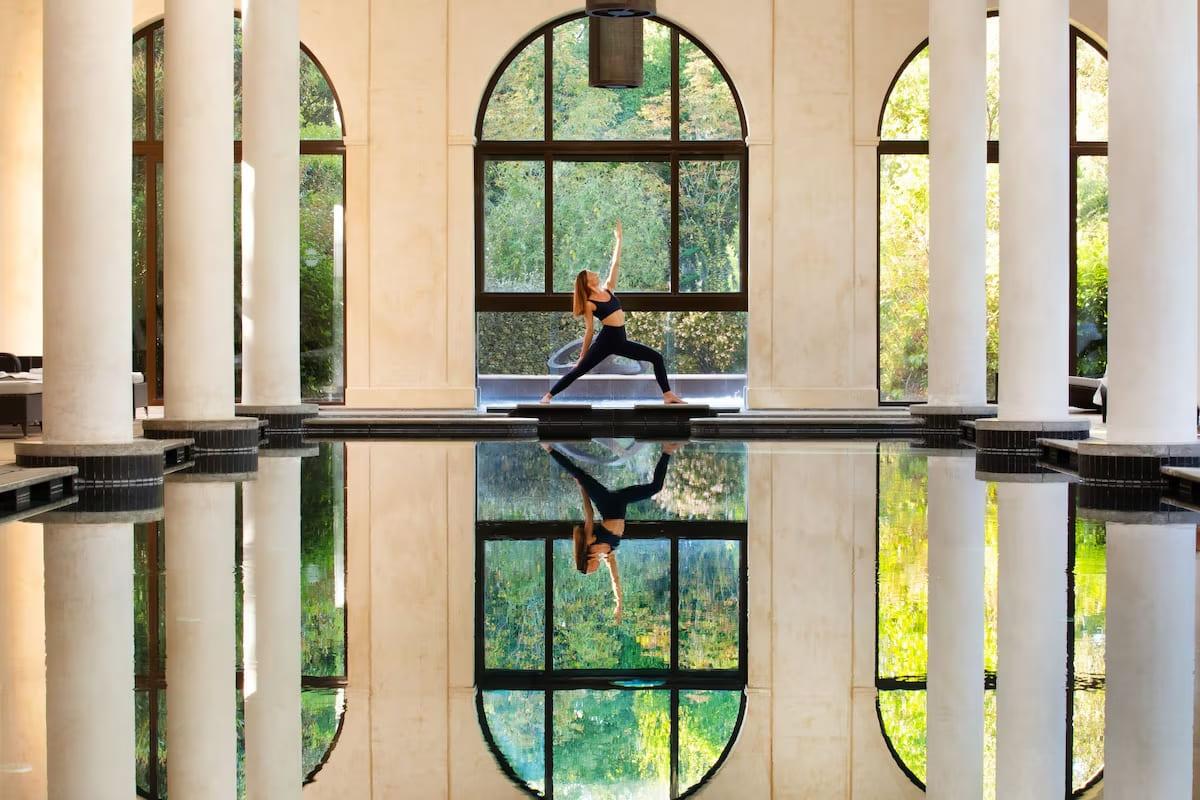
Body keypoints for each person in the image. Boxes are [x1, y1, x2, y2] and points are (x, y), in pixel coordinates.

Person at [540, 220, 685, 404]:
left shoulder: (608, 289)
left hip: (620, 340)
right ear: (587, 282)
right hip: (606, 341)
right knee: (578, 370)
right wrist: (583, 355)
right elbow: (589, 331)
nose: (595, 273)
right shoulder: (590, 303)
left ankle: (667, 395)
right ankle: (548, 396)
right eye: (591, 273)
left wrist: (619, 239)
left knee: (656, 358)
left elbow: (615, 264)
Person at [544, 442, 682, 622]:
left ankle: (548, 448)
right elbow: (615, 580)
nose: (593, 571)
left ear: (586, 564)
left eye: (589, 571)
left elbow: (589, 515)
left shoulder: (589, 542)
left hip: (607, 504)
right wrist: (619, 605)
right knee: (655, 487)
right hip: (621, 502)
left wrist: (582, 489)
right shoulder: (608, 555)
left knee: (578, 474)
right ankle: (667, 450)